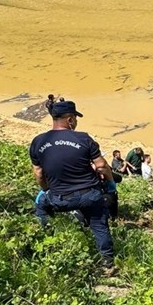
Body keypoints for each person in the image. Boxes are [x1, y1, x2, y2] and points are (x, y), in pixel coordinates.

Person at [29, 100, 117, 275]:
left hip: (60, 199)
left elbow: (39, 174)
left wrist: (47, 190)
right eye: (75, 118)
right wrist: (110, 183)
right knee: (99, 225)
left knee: (40, 207)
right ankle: (108, 263)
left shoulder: (38, 141)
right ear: (70, 120)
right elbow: (101, 166)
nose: (76, 122)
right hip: (89, 195)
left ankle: (46, 241)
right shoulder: (83, 138)